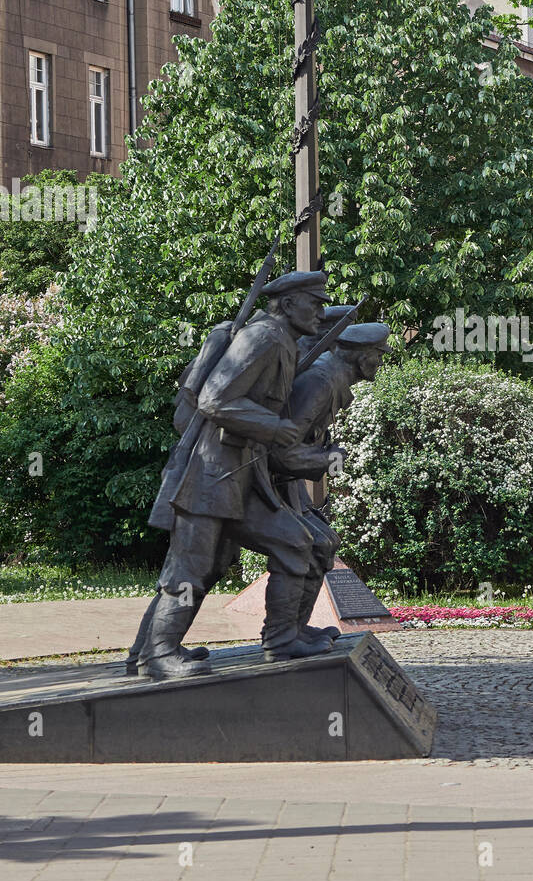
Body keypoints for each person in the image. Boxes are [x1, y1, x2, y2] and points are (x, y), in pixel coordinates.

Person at [133, 271, 334, 680]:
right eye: (314, 302)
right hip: (210, 475)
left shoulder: (282, 342)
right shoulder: (264, 338)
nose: (321, 311)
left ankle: (147, 652)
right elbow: (214, 399)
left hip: (238, 476)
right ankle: (157, 655)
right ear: (288, 303)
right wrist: (276, 428)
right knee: (192, 565)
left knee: (266, 547)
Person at [270, 322, 392, 640]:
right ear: (362, 357)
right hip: (266, 482)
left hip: (288, 484)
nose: (381, 361)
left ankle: (294, 630)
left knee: (325, 544)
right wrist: (327, 459)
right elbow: (280, 452)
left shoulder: (333, 379)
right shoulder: (320, 382)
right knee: (308, 545)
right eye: (379, 354)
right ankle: (281, 636)